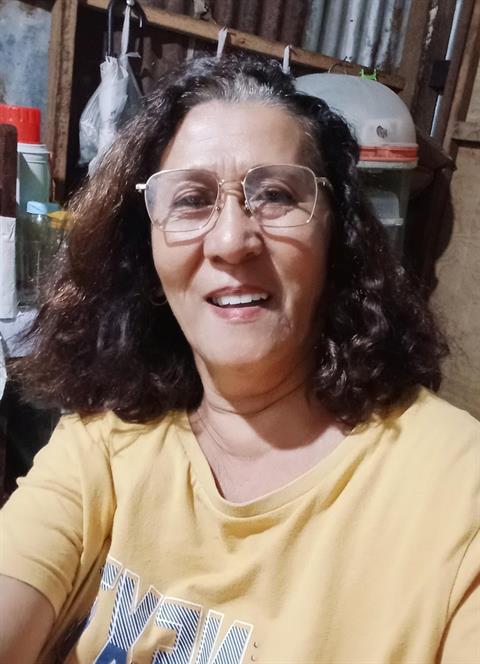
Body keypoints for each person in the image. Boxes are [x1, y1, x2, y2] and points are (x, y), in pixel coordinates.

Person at [0, 53, 478, 664]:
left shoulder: (456, 492)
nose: (231, 241)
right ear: (146, 248)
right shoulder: (106, 438)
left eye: (275, 195)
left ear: (336, 235)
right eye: (191, 199)